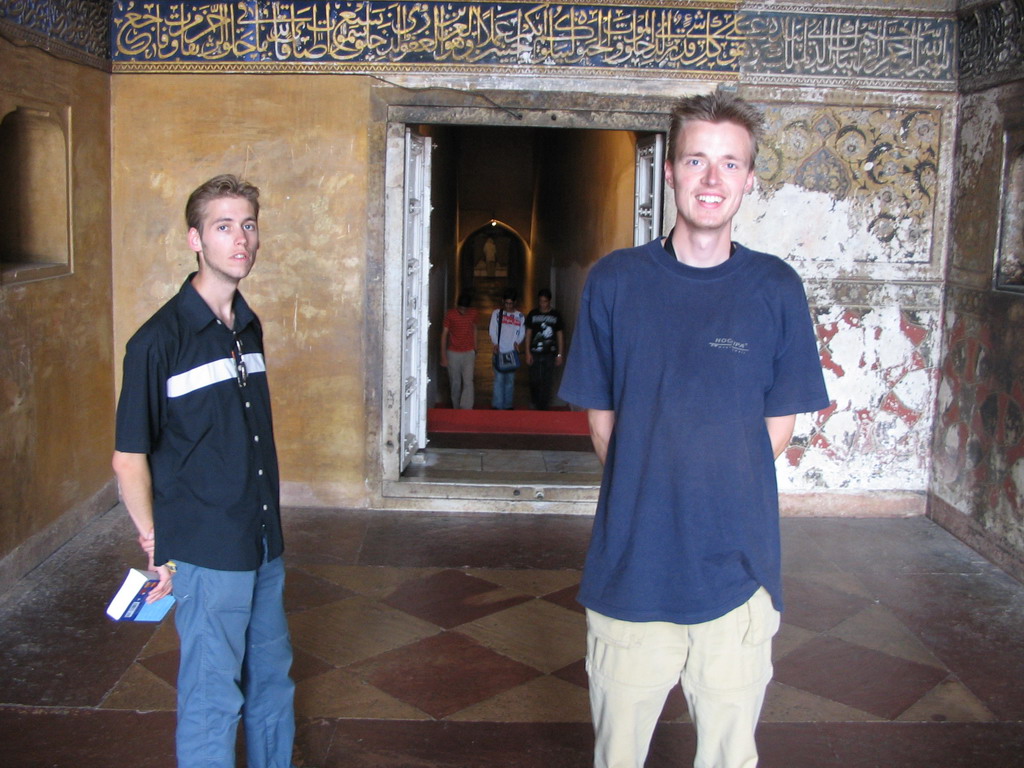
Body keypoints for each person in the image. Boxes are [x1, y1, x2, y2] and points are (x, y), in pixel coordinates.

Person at [558, 92, 829, 768]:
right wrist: (657, 488)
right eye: (697, 160)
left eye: (730, 164)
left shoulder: (775, 288)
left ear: (749, 180)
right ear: (671, 172)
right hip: (631, 572)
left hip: (737, 574)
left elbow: (779, 424)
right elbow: (602, 424)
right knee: (617, 756)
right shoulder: (616, 281)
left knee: (729, 758)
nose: (713, 179)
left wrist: (713, 489)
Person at [112, 175, 298, 768]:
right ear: (195, 238)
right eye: (223, 226)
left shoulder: (248, 326)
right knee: (212, 696)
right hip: (206, 550)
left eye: (248, 225)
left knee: (273, 685)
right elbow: (128, 456)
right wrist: (156, 543)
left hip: (263, 542)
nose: (239, 239)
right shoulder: (156, 342)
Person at [524, 288, 565, 410]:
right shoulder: (533, 314)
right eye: (540, 301)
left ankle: (543, 406)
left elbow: (559, 335)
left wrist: (559, 354)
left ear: (549, 302)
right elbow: (529, 334)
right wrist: (527, 352)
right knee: (534, 380)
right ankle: (535, 400)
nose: (542, 304)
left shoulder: (555, 316)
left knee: (547, 381)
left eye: (545, 301)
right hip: (535, 352)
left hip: (549, 353)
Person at [440, 292, 479, 409]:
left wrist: (475, 347)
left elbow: (475, 329)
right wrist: (443, 356)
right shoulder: (450, 315)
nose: (463, 311)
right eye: (461, 308)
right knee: (455, 382)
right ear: (457, 306)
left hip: (468, 352)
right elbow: (444, 335)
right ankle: (456, 407)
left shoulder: (473, 313)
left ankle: (466, 408)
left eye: (465, 309)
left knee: (468, 381)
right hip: (453, 353)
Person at [488, 288, 525, 409]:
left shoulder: (519, 316)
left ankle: (508, 405)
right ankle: (498, 405)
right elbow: (492, 329)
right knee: (498, 380)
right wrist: (495, 343)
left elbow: (522, 332)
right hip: (499, 351)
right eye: (506, 303)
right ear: (503, 301)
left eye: (511, 303)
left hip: (511, 353)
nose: (508, 306)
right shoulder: (497, 314)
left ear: (515, 303)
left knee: (510, 381)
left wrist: (517, 342)